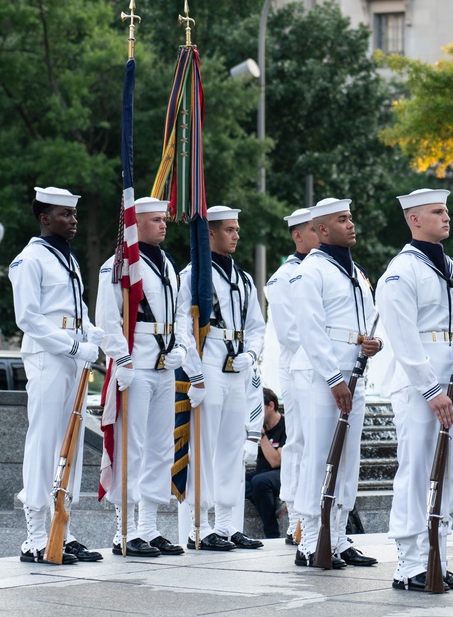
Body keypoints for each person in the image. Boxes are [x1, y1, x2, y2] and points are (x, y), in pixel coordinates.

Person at [377, 188, 453, 592]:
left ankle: (438, 556)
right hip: (422, 385)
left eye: (447, 210)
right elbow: (403, 338)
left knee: (449, 473)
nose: (446, 217)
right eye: (437, 211)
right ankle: (409, 563)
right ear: (414, 219)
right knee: (417, 471)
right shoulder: (401, 271)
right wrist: (431, 389)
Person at [8, 186, 104, 564]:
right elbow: (28, 318)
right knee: (45, 442)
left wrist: (91, 333)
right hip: (49, 355)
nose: (73, 220)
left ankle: (63, 527)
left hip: (72, 354)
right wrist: (73, 345)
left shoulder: (67, 258)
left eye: (75, 214)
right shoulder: (29, 259)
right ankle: (34, 533)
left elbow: (75, 308)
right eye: (65, 214)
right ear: (44, 217)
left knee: (71, 447)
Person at [96, 197, 189, 557]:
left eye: (164, 219)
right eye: (155, 220)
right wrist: (122, 358)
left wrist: (180, 346)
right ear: (136, 225)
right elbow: (108, 318)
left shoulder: (167, 264)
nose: (164, 224)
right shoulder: (118, 266)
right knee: (131, 448)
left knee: (160, 449)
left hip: (164, 365)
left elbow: (179, 314)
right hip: (136, 365)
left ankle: (149, 526)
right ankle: (126, 529)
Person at [291, 197, 381, 568]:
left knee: (347, 459)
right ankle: (310, 540)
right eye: (342, 219)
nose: (351, 224)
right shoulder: (311, 270)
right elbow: (311, 330)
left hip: (355, 371)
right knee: (319, 458)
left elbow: (369, 317)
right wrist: (333, 378)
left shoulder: (355, 270)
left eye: (351, 217)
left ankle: (339, 536)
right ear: (322, 230)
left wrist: (374, 342)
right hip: (323, 374)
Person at [177, 205, 265, 551]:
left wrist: (253, 354)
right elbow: (184, 324)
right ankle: (199, 525)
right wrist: (195, 372)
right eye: (229, 229)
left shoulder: (243, 279)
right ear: (209, 233)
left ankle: (227, 524)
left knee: (231, 448)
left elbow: (257, 326)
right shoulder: (193, 275)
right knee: (204, 447)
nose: (236, 235)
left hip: (238, 364)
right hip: (209, 361)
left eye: (237, 229)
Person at [265, 207, 319, 544]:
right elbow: (290, 334)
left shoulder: (333, 269)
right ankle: (296, 518)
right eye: (316, 229)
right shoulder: (284, 277)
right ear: (298, 235)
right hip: (301, 367)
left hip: (327, 369)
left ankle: (323, 519)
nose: (323, 233)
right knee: (298, 443)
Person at [245, 388, 287, 538]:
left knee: (259, 482)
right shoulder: (253, 424)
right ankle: (274, 506)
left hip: (283, 474)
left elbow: (277, 462)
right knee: (235, 479)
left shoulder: (286, 425)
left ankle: (272, 533)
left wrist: (261, 434)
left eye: (258, 407)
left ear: (271, 406)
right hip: (262, 475)